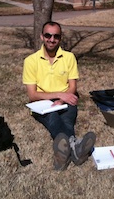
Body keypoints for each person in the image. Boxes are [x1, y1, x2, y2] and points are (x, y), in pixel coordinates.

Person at [22, 21, 96, 170]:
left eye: (56, 36)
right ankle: (75, 147)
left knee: (67, 121)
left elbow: (73, 86)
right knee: (53, 117)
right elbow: (32, 95)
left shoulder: (69, 57)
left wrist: (62, 99)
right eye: (48, 35)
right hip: (42, 104)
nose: (52, 39)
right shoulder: (30, 61)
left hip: (66, 100)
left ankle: (64, 155)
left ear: (60, 38)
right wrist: (57, 95)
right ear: (42, 36)